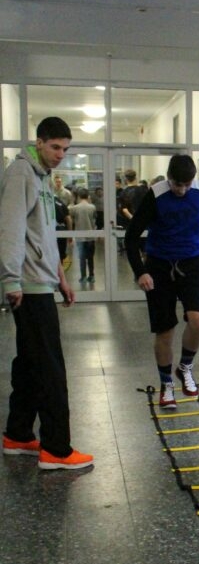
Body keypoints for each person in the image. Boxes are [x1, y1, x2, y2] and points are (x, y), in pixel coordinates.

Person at [0, 117, 93, 470]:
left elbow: (44, 235)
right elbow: (9, 229)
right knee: (50, 366)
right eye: (55, 147)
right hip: (28, 285)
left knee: (29, 361)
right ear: (38, 142)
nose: (60, 155)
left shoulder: (41, 177)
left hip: (42, 280)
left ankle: (18, 434)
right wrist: (10, 280)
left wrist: (61, 278)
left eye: (65, 149)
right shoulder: (20, 173)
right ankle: (56, 449)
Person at [125, 154, 199, 409]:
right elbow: (131, 236)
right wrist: (140, 272)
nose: (181, 190)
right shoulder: (155, 195)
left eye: (186, 185)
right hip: (158, 266)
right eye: (177, 185)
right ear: (169, 178)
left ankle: (185, 366)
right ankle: (167, 383)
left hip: (191, 263)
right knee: (165, 330)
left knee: (198, 319)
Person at [69, 188, 97, 283]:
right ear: (88, 196)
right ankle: (92, 276)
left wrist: (72, 202)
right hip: (91, 236)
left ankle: (83, 277)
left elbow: (70, 216)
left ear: (78, 196)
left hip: (80, 237)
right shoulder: (92, 207)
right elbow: (95, 219)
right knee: (90, 257)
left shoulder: (75, 208)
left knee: (82, 258)